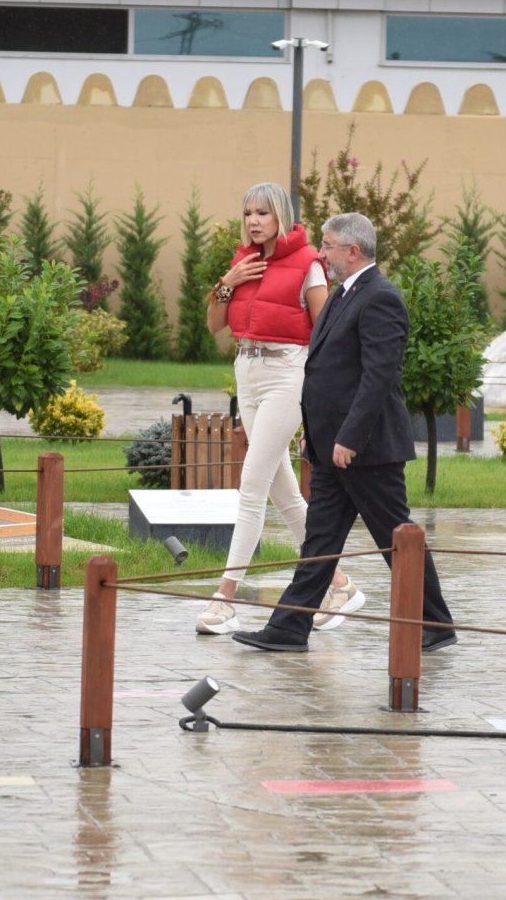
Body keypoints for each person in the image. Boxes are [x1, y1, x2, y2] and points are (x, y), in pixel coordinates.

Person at [232, 212, 456, 654]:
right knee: (320, 541)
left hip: (366, 449)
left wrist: (350, 437)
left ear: (353, 251)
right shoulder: (342, 295)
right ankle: (289, 627)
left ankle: (436, 624)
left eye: (328, 245)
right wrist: (314, 431)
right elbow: (326, 369)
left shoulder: (381, 298)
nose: (321, 253)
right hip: (331, 446)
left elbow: (378, 377)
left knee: (396, 538)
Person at [195, 183, 364, 635]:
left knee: (251, 485)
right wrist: (227, 284)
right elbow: (213, 325)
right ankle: (340, 584)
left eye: (263, 213)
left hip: (288, 375)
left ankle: (225, 598)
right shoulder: (242, 261)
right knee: (284, 494)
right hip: (247, 372)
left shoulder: (308, 262)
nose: (253, 221)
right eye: (248, 213)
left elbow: (328, 334)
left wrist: (322, 405)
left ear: (281, 216)